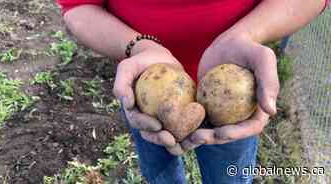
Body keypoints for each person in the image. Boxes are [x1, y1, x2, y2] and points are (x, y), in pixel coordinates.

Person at [57, 0, 329, 183]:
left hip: (233, 80)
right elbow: (79, 6)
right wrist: (139, 47)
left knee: (229, 173)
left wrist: (247, 34)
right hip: (146, 86)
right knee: (157, 163)